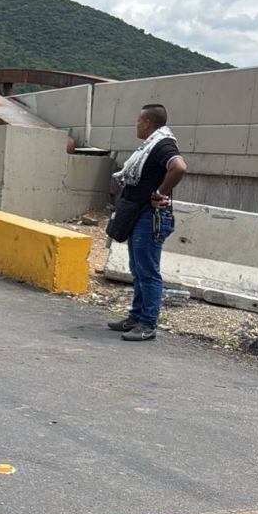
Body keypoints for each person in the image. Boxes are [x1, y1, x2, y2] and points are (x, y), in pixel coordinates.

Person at [108, 104, 187, 341]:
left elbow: (179, 167)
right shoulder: (151, 145)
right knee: (138, 268)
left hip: (150, 216)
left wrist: (159, 193)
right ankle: (136, 317)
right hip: (139, 214)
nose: (136, 125)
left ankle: (148, 323)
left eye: (138, 121)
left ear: (148, 123)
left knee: (147, 271)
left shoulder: (163, 144)